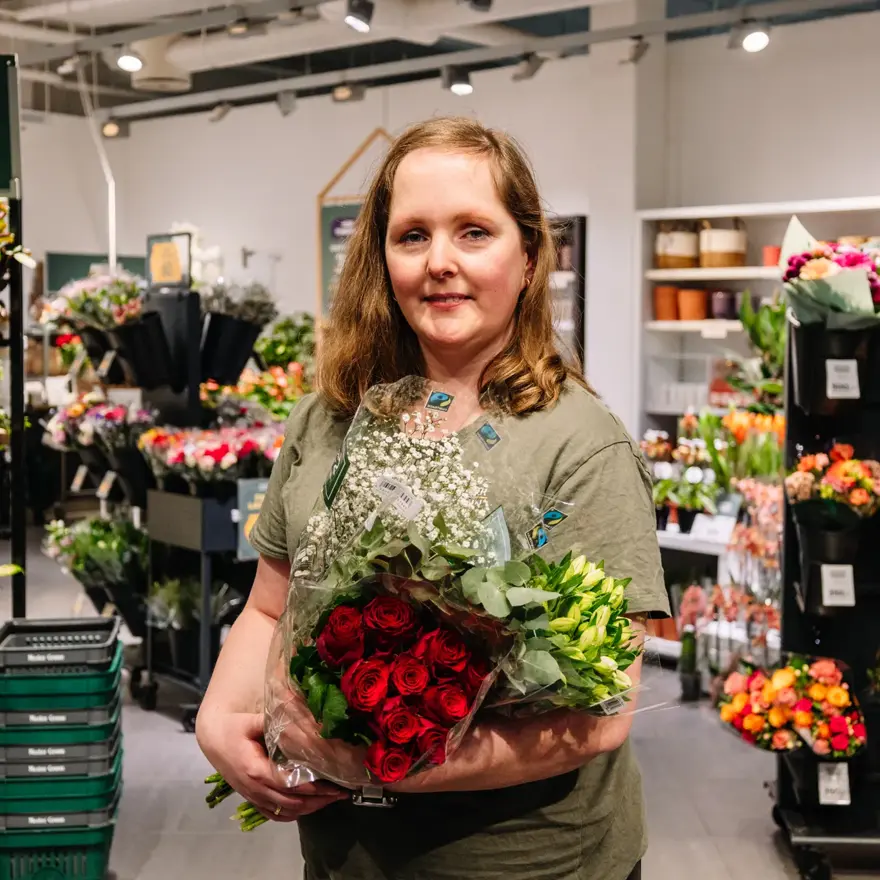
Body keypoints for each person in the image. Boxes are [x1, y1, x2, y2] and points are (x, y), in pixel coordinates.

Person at [196, 116, 670, 880]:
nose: (439, 261)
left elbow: (599, 719)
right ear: (380, 258)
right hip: (346, 859)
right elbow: (269, 608)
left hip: (529, 865)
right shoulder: (327, 421)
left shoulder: (580, 444)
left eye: (473, 232)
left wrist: (373, 764)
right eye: (412, 236)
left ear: (528, 256)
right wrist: (218, 717)